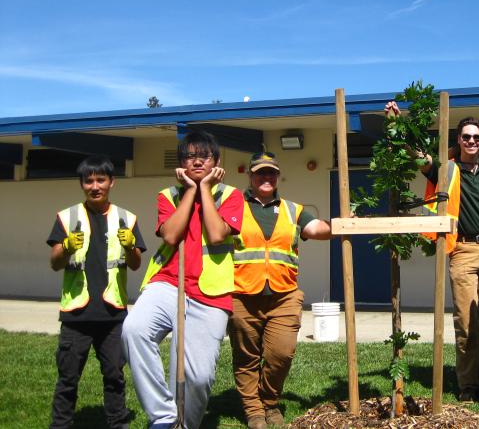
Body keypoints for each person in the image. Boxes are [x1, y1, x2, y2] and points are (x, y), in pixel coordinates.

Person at [385, 101, 479, 401]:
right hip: (463, 249)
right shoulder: (446, 169)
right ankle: (468, 384)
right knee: (466, 322)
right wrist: (397, 124)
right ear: (459, 139)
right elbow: (419, 156)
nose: (471, 141)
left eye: (476, 137)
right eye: (466, 137)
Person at [122, 131, 244, 429]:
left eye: (204, 156)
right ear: (181, 164)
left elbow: (216, 235)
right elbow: (171, 235)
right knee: (134, 330)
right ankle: (163, 416)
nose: (197, 161)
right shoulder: (168, 195)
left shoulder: (231, 195)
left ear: (217, 162)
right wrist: (190, 190)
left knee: (198, 377)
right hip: (167, 283)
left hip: (211, 291)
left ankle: (185, 424)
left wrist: (205, 189)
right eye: (190, 156)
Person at [228, 152, 333, 429]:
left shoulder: (292, 210)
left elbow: (317, 229)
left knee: (281, 354)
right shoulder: (233, 206)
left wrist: (342, 224)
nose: (266, 177)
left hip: (284, 295)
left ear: (277, 176)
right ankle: (254, 410)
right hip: (242, 294)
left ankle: (269, 400)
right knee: (246, 358)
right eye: (260, 172)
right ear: (250, 176)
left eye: (271, 172)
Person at [47, 156, 146, 429]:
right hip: (76, 314)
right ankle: (60, 425)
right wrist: (66, 246)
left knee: (114, 376)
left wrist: (131, 246)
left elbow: (135, 264)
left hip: (112, 313)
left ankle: (117, 423)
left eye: (100, 180)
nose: (94, 186)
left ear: (112, 182)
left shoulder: (126, 218)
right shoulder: (67, 217)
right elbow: (55, 263)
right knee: (68, 378)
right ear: (81, 184)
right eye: (88, 180)